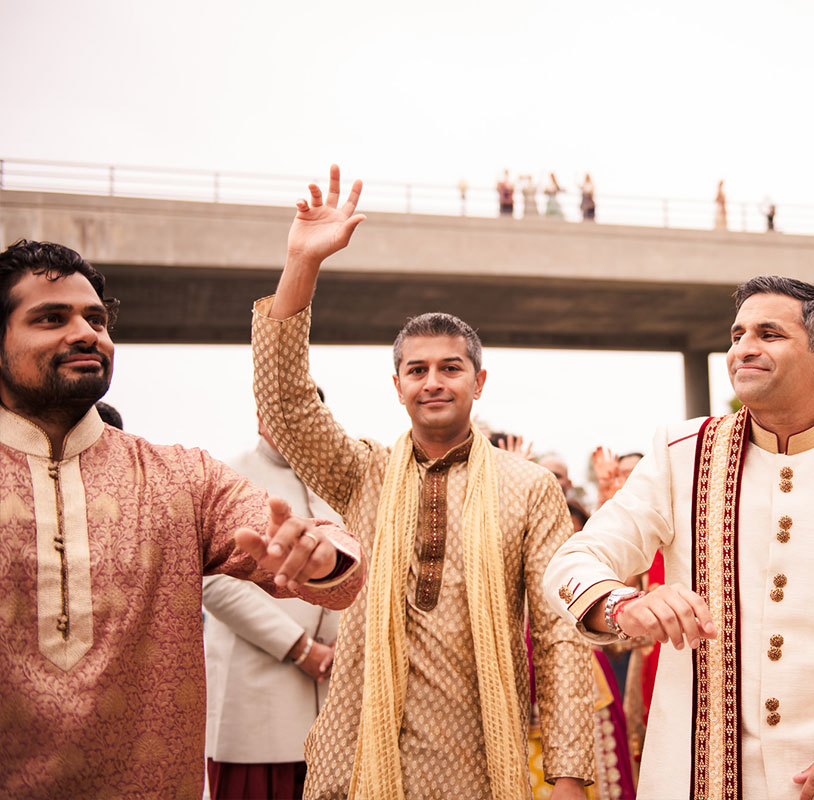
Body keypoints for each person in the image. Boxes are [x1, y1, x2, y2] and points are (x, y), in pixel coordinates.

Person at [543, 275, 814, 799]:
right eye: (737, 334)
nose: (743, 348)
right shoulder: (681, 455)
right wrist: (621, 606)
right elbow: (574, 560)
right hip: (693, 778)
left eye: (768, 334)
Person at [252, 166, 597, 799]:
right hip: (359, 750)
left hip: (478, 756)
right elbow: (284, 404)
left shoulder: (529, 489)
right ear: (398, 387)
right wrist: (302, 263)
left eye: (450, 367)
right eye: (417, 370)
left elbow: (556, 633)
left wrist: (570, 776)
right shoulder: (363, 473)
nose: (433, 381)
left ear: (479, 381)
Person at [0, 240, 367, 797]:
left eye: (95, 319)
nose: (85, 333)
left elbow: (327, 563)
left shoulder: (182, 476)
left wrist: (321, 558)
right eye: (52, 318)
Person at [204, 389, 347, 800]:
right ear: (258, 416)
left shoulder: (333, 485)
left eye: (305, 414)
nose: (290, 423)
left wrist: (347, 644)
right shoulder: (228, 478)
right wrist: (300, 648)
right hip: (258, 687)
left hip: (334, 691)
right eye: (279, 411)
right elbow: (215, 582)